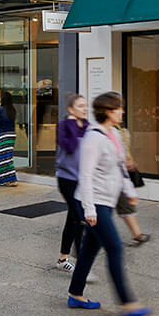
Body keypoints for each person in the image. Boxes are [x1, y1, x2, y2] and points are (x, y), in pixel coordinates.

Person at [67, 91, 151, 316]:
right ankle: (128, 304)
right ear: (107, 112)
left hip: (106, 200)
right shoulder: (93, 139)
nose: (122, 111)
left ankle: (75, 293)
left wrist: (130, 191)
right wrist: (90, 209)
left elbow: (120, 167)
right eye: (118, 109)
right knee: (115, 249)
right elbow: (84, 175)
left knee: (89, 249)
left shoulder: (114, 134)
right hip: (93, 201)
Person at [54, 94, 89, 271]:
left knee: (74, 218)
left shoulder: (87, 126)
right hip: (67, 179)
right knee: (78, 217)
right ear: (70, 109)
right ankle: (81, 263)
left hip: (82, 180)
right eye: (80, 106)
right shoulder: (63, 126)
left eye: (85, 105)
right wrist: (73, 125)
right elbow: (70, 147)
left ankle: (63, 259)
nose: (85, 109)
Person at [116, 124, 150, 246]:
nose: (122, 112)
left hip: (119, 178)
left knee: (126, 205)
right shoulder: (102, 133)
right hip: (109, 181)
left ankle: (137, 234)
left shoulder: (120, 131)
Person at [0, 91, 18, 187]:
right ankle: (10, 179)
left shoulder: (0, 109)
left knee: (1, 158)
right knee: (8, 157)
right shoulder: (13, 110)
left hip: (3, 135)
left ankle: (2, 179)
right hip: (11, 135)